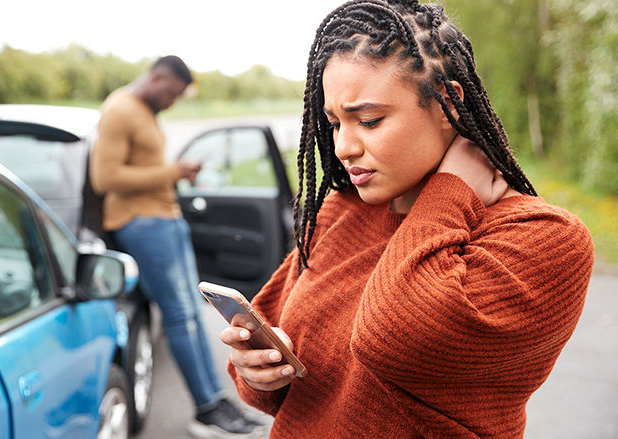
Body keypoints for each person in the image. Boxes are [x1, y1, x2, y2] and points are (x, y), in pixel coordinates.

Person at [220, 1, 594, 438]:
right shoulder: (342, 210)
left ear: (447, 104)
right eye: (335, 123)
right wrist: (257, 371)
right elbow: (280, 384)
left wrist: (451, 190)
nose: (343, 146)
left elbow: (395, 340)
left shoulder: (545, 239)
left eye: (369, 120)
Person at [89, 55, 265, 438]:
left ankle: (218, 401)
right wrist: (174, 171)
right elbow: (105, 177)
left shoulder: (143, 110)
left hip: (165, 220)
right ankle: (206, 410)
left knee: (192, 314)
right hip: (142, 224)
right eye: (170, 94)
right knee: (180, 316)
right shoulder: (120, 109)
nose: (171, 102)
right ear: (156, 77)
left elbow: (139, 167)